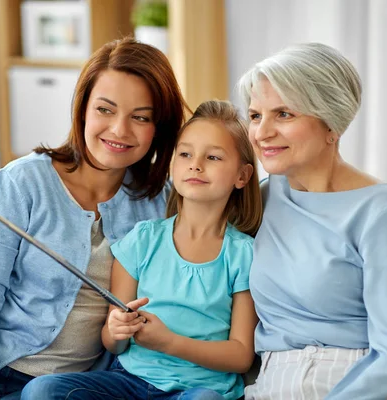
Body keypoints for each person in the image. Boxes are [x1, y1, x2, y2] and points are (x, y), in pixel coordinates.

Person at [0, 37, 188, 400]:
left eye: (140, 117)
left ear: (159, 127)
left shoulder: (162, 203)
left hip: (53, 389)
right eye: (105, 109)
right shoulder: (21, 182)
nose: (119, 129)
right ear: (83, 108)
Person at [239, 43, 387, 399]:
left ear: (331, 123)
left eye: (284, 114)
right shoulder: (264, 197)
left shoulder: (386, 214)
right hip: (271, 385)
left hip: (369, 386)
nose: (262, 132)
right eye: (256, 115)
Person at [20, 100, 263, 400]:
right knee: (41, 391)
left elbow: (241, 356)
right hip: (129, 383)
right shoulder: (142, 240)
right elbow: (113, 343)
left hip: (199, 389)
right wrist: (116, 328)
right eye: (185, 153)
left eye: (213, 157)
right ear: (173, 165)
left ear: (242, 176)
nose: (195, 164)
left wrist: (169, 342)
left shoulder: (244, 254)